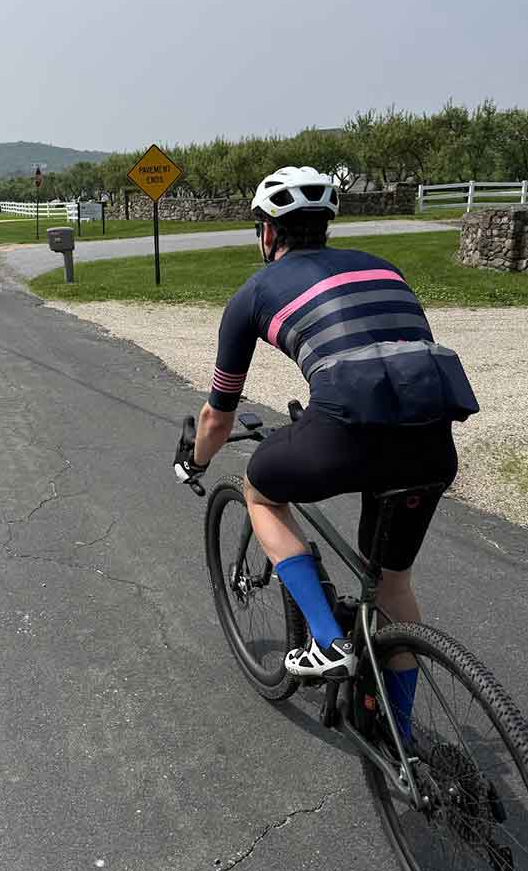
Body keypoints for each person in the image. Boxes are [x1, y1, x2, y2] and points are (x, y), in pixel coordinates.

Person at [174, 167, 478, 731]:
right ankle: (399, 733)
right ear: (327, 225)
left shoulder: (254, 293)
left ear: (267, 233)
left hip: (344, 432)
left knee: (261, 492)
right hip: (432, 440)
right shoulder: (385, 268)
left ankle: (325, 638)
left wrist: (194, 461)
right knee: (392, 582)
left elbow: (218, 415)